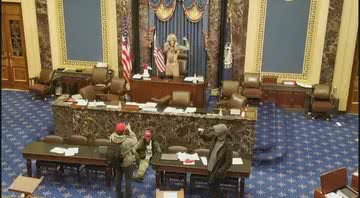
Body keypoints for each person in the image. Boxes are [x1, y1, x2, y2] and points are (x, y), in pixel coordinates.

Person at [199, 124, 233, 198]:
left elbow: (229, 162)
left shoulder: (228, 145)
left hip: (217, 170)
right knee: (211, 185)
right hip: (210, 166)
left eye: (216, 131)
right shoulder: (215, 137)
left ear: (221, 133)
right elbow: (207, 138)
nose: (214, 132)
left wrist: (220, 171)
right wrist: (202, 134)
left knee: (214, 187)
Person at [110, 122, 138, 198]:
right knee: (128, 180)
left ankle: (119, 195)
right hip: (127, 163)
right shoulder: (128, 141)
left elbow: (116, 134)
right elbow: (135, 140)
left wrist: (121, 129)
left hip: (117, 161)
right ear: (124, 131)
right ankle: (128, 196)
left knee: (118, 178)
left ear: (116, 130)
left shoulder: (112, 137)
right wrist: (130, 129)